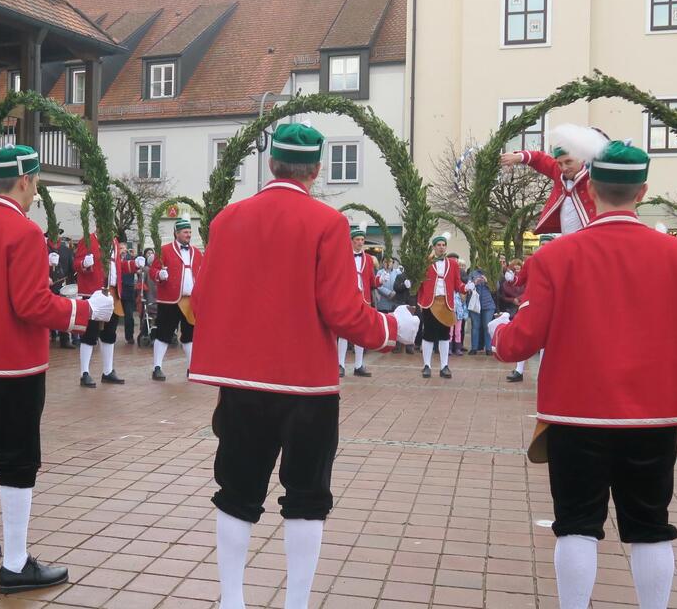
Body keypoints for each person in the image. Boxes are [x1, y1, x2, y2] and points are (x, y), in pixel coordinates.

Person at [489, 136, 677, 609]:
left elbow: (520, 342)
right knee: (650, 527)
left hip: (575, 417)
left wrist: (499, 331)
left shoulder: (555, 256)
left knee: (576, 525)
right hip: (653, 418)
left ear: (591, 189)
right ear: (642, 192)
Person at [188, 123, 419, 609]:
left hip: (243, 383)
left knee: (235, 491)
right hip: (307, 387)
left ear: (271, 164)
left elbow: (203, 300)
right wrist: (390, 328)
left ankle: (232, 600)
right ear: (316, 170)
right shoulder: (328, 223)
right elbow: (341, 310)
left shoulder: (226, 220)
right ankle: (295, 603)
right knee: (307, 496)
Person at [0, 119, 114, 593]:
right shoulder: (23, 233)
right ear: (24, 181)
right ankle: (16, 563)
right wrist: (85, 308)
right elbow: (32, 304)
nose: (36, 188)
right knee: (18, 458)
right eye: (35, 180)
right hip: (14, 364)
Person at [73, 232, 146, 387]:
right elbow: (76, 264)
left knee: (109, 333)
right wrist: (84, 264)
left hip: (113, 293)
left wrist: (134, 264)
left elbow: (118, 267)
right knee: (90, 333)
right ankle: (84, 372)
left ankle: (108, 371)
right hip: (94, 293)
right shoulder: (87, 240)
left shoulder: (114, 241)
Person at [149, 214, 202, 381]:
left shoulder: (196, 252)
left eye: (189, 232)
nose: (188, 235)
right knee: (164, 333)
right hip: (169, 299)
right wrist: (160, 274)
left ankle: (191, 367)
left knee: (189, 334)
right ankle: (157, 367)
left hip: (189, 300)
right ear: (177, 233)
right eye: (185, 232)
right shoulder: (164, 250)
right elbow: (152, 271)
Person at [416, 233, 468, 378]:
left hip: (446, 303)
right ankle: (427, 365)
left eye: (443, 245)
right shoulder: (426, 262)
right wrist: (419, 299)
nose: (441, 247)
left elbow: (457, 284)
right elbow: (419, 282)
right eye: (438, 245)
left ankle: (445, 366)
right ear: (433, 247)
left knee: (445, 335)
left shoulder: (453, 264)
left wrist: (466, 287)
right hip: (430, 302)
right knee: (428, 335)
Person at [337, 222, 378, 377]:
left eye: (362, 239)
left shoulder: (368, 259)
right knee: (344, 332)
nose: (360, 242)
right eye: (357, 239)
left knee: (361, 332)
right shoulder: (344, 257)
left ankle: (359, 365)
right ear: (352, 241)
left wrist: (380, 280)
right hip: (348, 297)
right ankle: (340, 364)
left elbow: (372, 281)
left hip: (364, 300)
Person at [48, 234, 75, 348]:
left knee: (63, 313)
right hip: (47, 285)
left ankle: (65, 339)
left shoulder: (66, 250)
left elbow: (71, 269)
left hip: (62, 286)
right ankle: (49, 335)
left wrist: (71, 284)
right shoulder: (42, 248)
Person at [466, 265, 495, 356]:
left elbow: (496, 287)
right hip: (475, 304)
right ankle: (474, 348)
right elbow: (468, 287)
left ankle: (489, 348)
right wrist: (474, 283)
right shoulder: (472, 273)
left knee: (487, 327)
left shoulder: (491, 273)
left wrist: (487, 282)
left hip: (488, 304)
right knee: (475, 326)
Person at [120, 244, 138, 344]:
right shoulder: (113, 259)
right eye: (121, 248)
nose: (123, 251)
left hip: (128, 289)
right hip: (116, 290)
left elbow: (138, 268)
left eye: (124, 249)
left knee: (129, 315)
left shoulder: (131, 259)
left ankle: (129, 336)